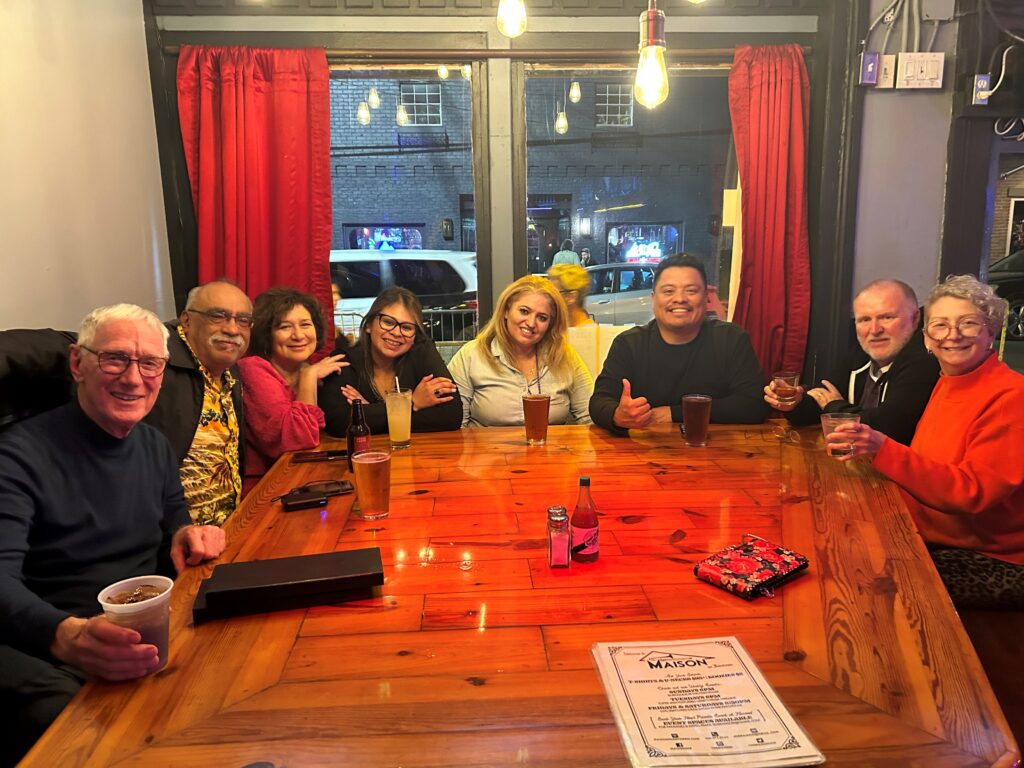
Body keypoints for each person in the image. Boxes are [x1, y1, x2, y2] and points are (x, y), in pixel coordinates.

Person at [0, 304, 227, 766]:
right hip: (56, 643)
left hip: (148, 630)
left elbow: (172, 513)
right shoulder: (17, 455)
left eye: (150, 364)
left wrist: (186, 533)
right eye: (114, 358)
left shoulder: (153, 443)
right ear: (76, 363)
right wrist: (64, 636)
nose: (133, 378)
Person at [829, 275, 1024, 607]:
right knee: (834, 546)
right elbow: (930, 465)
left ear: (991, 330)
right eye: (941, 325)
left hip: (992, 555)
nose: (953, 335)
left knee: (867, 588)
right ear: (927, 338)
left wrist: (881, 448)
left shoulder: (1012, 395)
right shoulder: (947, 382)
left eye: (969, 324)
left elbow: (971, 492)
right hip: (928, 533)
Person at [0, 279, 252, 526]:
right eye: (217, 316)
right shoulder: (151, 358)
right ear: (186, 320)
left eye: (243, 320)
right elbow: (59, 347)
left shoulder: (231, 372)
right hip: (169, 541)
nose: (232, 329)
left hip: (228, 528)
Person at [589, 252, 769, 434]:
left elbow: (754, 404)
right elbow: (599, 402)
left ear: (706, 297)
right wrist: (617, 415)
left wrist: (674, 413)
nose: (680, 298)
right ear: (653, 298)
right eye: (668, 291)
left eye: (691, 290)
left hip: (718, 453)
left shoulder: (731, 339)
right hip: (646, 453)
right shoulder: (629, 344)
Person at [765, 279, 939, 445]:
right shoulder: (861, 354)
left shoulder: (925, 360)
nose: (875, 330)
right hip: (856, 466)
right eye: (864, 320)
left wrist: (834, 407)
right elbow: (822, 399)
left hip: (895, 474)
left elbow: (888, 428)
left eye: (887, 317)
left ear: (915, 319)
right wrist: (797, 403)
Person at [238, 288, 348, 488]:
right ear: (267, 334)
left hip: (301, 480)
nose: (298, 335)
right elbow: (299, 441)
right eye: (285, 327)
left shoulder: (306, 370)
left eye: (305, 324)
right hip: (263, 491)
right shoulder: (253, 369)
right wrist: (309, 377)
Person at [448, 275, 593, 428]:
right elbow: (455, 427)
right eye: (524, 311)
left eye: (542, 318)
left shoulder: (564, 356)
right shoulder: (470, 355)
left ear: (550, 324)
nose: (531, 323)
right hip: (486, 451)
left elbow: (590, 417)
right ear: (506, 311)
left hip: (551, 451)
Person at [321, 287, 462, 436]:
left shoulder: (422, 352)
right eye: (388, 322)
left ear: (415, 335)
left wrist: (370, 412)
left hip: (417, 454)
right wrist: (411, 403)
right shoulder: (345, 360)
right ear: (368, 325)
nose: (396, 333)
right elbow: (337, 422)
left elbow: (451, 416)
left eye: (407, 327)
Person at [547, 263, 594, 327]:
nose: (547, 298)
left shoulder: (588, 333)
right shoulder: (561, 328)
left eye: (553, 293)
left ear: (571, 297)